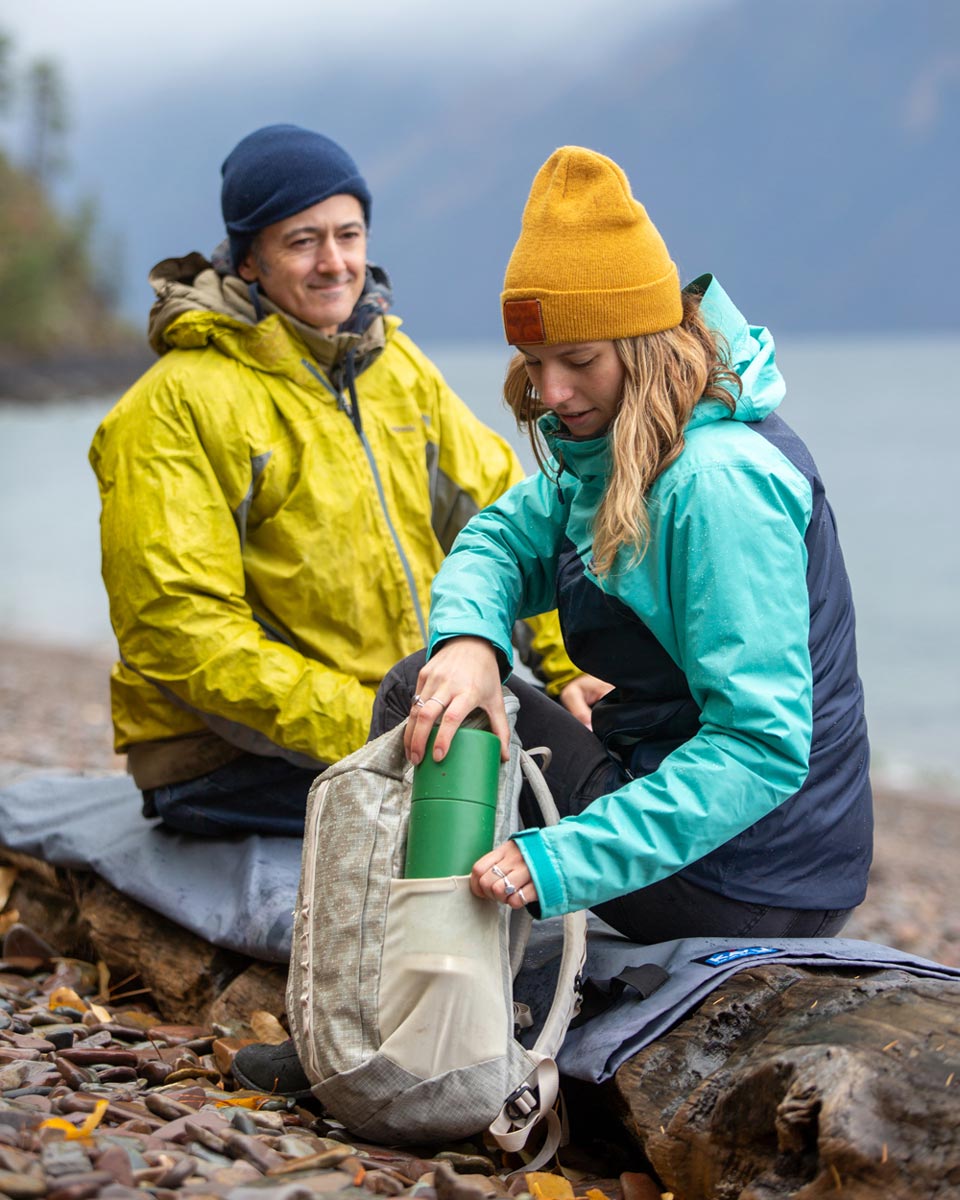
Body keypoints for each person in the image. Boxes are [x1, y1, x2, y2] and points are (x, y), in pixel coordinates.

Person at [397, 145, 873, 942]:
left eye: (578, 361)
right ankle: (428, 978)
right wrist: (474, 640)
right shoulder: (620, 441)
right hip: (737, 847)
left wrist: (563, 859)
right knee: (450, 680)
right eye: (535, 362)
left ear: (644, 344)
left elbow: (760, 746)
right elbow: (502, 540)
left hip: (751, 872)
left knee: (417, 701)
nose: (551, 393)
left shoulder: (716, 483)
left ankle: (421, 1017)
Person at [89, 125, 591, 838]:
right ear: (250, 260)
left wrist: (569, 667)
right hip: (224, 757)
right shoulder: (173, 406)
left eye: (349, 235)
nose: (335, 263)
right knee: (506, 816)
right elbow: (177, 630)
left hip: (400, 716)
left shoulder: (397, 369)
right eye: (302, 240)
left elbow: (515, 521)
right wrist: (382, 719)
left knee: (601, 776)